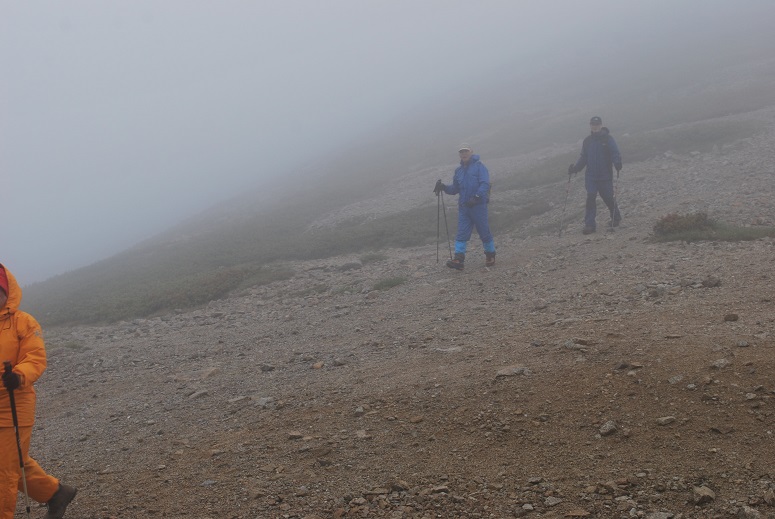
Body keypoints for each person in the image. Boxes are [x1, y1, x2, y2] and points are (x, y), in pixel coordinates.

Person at [0, 263, 77, 519]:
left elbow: (35, 358)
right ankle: (56, 493)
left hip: (13, 403)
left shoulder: (24, 322)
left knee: (4, 470)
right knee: (13, 463)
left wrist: (19, 376)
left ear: (6, 291)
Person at [433, 143, 496, 269]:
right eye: (461, 152)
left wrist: (476, 197)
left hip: (478, 205)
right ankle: (458, 260)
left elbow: (485, 184)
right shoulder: (459, 171)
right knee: (461, 233)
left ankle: (490, 254)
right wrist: (444, 187)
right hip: (464, 207)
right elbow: (455, 189)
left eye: (466, 151)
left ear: (471, 152)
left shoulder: (479, 167)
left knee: (483, 231)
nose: (464, 154)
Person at [568, 116, 623, 234]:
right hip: (591, 176)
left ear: (601, 125)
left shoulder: (608, 139)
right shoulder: (587, 141)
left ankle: (616, 217)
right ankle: (590, 225)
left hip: (605, 176)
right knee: (590, 198)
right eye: (593, 124)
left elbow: (615, 152)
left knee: (608, 198)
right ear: (590, 126)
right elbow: (584, 157)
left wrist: (617, 162)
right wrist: (576, 168)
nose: (595, 126)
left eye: (597, 124)